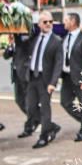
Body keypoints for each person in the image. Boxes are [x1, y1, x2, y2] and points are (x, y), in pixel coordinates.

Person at [26, 11, 63, 148]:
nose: (48, 24)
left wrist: (53, 83)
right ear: (39, 24)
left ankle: (44, 137)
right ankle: (51, 127)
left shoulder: (56, 41)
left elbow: (59, 63)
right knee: (30, 107)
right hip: (32, 77)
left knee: (45, 108)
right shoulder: (34, 39)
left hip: (45, 80)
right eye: (45, 22)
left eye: (51, 22)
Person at [60, 13, 82, 141]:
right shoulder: (64, 38)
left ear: (73, 21)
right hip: (66, 76)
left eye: (66, 20)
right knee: (65, 102)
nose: (64, 22)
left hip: (80, 78)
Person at [4, 33, 37, 136]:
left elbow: (26, 45)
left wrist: (17, 38)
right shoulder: (14, 44)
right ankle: (38, 119)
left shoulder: (24, 41)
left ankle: (29, 126)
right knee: (19, 100)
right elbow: (6, 56)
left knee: (28, 101)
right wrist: (10, 44)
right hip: (16, 75)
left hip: (24, 74)